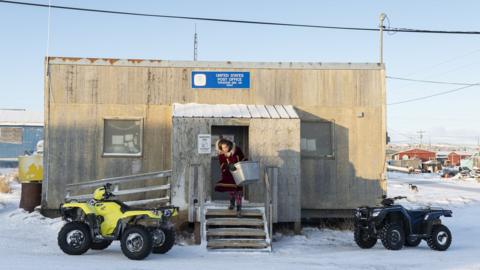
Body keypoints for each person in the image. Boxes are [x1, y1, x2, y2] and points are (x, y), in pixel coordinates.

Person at [214, 138, 246, 213]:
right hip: (228, 174)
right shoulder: (221, 155)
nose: (225, 149)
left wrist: (243, 164)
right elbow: (222, 164)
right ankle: (232, 201)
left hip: (239, 173)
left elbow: (243, 158)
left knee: (238, 190)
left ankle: (239, 207)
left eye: (226, 147)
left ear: (229, 145)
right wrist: (228, 166)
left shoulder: (237, 150)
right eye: (223, 147)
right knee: (232, 189)